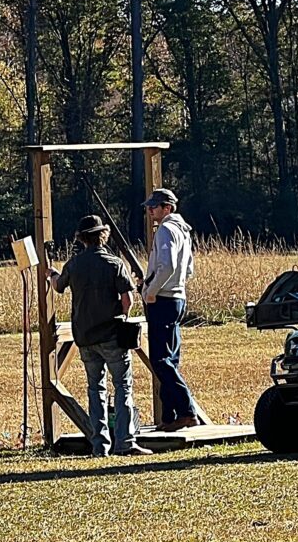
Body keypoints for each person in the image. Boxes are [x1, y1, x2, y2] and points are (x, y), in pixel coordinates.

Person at [50, 215, 151, 457]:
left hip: (85, 337)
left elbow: (58, 286)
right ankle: (125, 441)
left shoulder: (73, 265)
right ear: (102, 235)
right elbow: (127, 299)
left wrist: (50, 273)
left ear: (81, 238)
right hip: (113, 335)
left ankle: (99, 445)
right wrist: (123, 317)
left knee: (95, 390)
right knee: (122, 387)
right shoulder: (114, 263)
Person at [142, 188, 199, 431]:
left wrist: (150, 291)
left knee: (161, 360)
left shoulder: (165, 229)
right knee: (170, 360)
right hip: (177, 298)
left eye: (155, 206)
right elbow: (188, 270)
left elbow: (167, 266)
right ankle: (170, 416)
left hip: (163, 300)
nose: (150, 210)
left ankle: (186, 411)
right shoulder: (183, 231)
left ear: (168, 208)